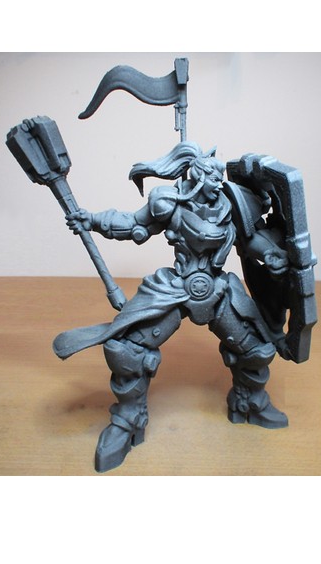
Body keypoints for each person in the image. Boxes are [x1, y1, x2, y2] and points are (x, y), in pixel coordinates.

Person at [65, 141, 289, 472]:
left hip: (217, 288)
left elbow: (250, 238)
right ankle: (128, 419)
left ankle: (249, 401)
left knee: (256, 349)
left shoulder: (231, 203)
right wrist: (93, 221)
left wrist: (271, 254)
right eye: (211, 177)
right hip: (177, 287)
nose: (218, 183)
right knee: (126, 350)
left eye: (219, 177)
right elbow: (133, 225)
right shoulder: (168, 202)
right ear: (196, 176)